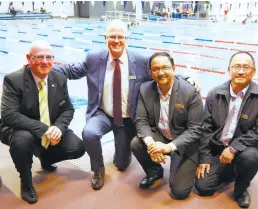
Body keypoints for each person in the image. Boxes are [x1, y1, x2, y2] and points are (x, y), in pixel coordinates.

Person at [53, 19, 200, 190]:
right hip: (103, 113)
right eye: (112, 37)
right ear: (105, 38)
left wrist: (186, 78)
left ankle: (124, 154)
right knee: (89, 133)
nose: (116, 41)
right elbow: (71, 71)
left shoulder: (141, 60)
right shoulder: (94, 58)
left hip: (129, 118)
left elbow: (162, 71)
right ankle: (98, 169)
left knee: (122, 164)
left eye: (120, 37)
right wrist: (42, 66)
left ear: (126, 39)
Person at [0, 40, 85, 204]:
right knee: (23, 141)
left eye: (49, 57)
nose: (45, 62)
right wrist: (45, 129)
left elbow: (68, 109)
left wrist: (59, 128)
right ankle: (26, 182)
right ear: (29, 58)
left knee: (78, 147)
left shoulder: (59, 79)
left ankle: (46, 159)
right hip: (19, 129)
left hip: (49, 127)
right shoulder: (13, 80)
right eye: (39, 57)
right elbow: (9, 115)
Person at [195, 51, 258, 208]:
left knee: (251, 158)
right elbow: (206, 129)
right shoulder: (215, 94)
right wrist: (205, 158)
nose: (241, 71)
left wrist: (233, 148)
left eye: (246, 67)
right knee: (203, 188)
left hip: (244, 149)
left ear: (254, 71)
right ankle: (230, 170)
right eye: (237, 66)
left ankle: (241, 189)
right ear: (229, 69)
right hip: (218, 148)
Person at [131, 52, 203, 199]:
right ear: (150, 72)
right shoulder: (145, 89)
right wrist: (151, 144)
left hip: (183, 144)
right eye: (156, 69)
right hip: (161, 136)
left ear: (174, 68)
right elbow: (141, 120)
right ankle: (155, 172)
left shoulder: (190, 92)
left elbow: (195, 130)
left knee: (179, 192)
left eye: (165, 68)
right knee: (137, 143)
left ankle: (188, 166)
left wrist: (168, 147)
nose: (161, 72)